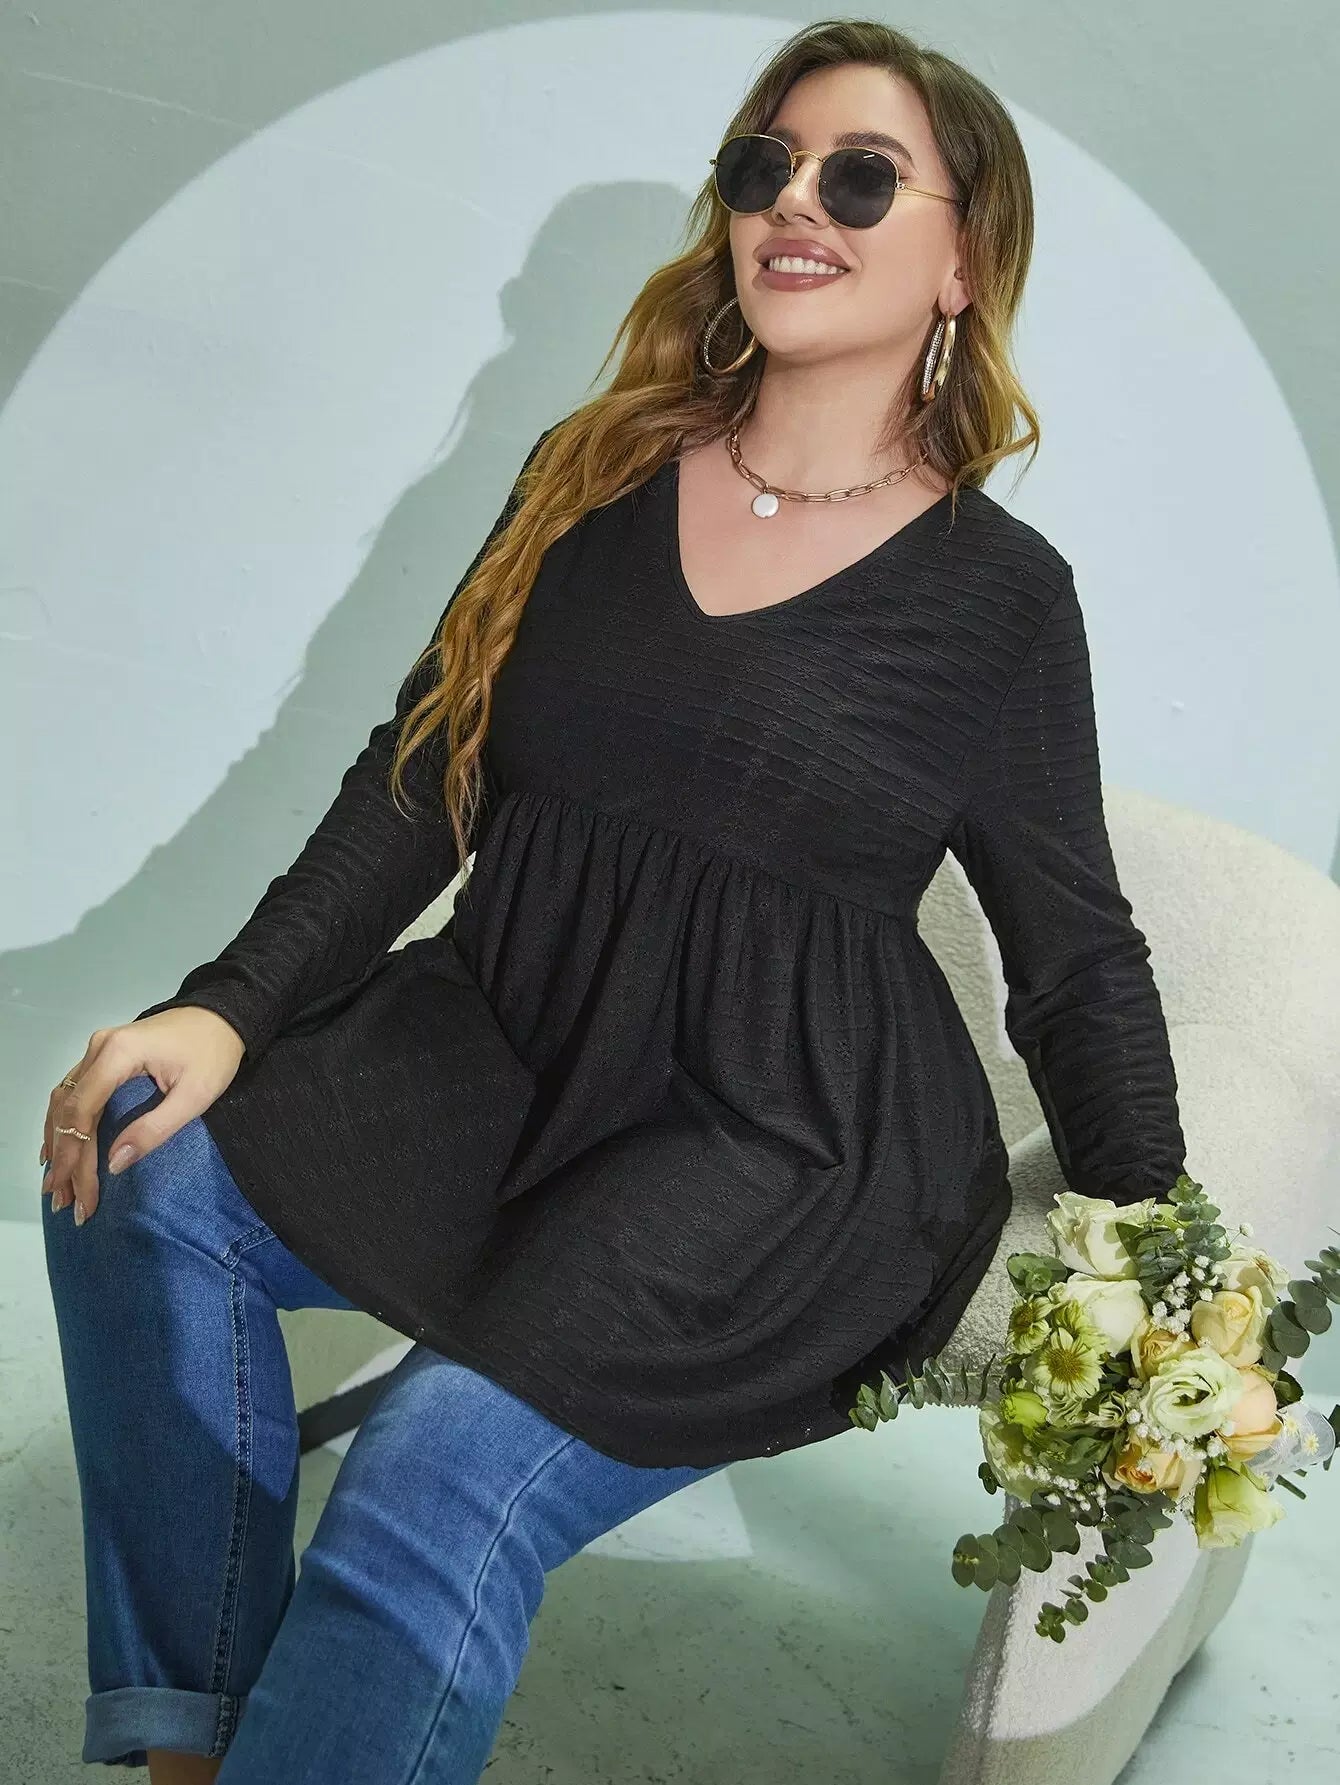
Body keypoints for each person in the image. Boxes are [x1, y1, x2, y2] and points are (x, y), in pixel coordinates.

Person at [40, 18, 1187, 1783]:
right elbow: (426, 771)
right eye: (764, 165)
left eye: (860, 178)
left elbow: (1078, 955)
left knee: (432, 1473)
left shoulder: (1001, 599)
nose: (793, 202)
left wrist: (1167, 1264)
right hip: (507, 1048)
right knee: (137, 1154)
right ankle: (198, 1745)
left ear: (963, 261)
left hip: (772, 1140)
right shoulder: (592, 469)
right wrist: (225, 1005)